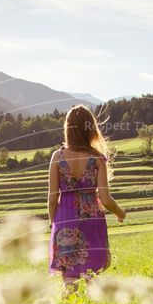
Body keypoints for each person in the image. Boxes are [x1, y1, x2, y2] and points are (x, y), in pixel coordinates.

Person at [48, 105, 126, 285]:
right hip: (92, 219)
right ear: (90, 128)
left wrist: (54, 223)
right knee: (93, 277)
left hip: (65, 220)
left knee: (69, 282)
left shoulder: (57, 158)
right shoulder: (97, 158)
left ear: (68, 129)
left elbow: (52, 199)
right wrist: (120, 213)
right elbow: (105, 199)